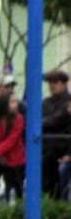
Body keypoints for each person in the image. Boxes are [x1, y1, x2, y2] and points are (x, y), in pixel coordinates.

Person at [42, 70, 71, 198]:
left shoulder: (68, 101)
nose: (51, 86)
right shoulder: (46, 102)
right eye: (49, 82)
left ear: (64, 84)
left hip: (64, 149)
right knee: (47, 186)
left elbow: (54, 121)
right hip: (47, 149)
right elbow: (41, 122)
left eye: (55, 82)